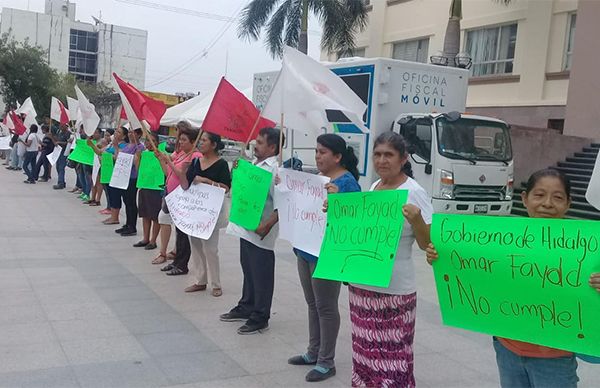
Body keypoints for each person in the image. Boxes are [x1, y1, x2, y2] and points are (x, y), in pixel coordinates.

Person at [426, 168, 600, 388]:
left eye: (557, 197)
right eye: (539, 195)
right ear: (525, 199)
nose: (547, 203)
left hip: (555, 356)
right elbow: (469, 264)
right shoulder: (503, 240)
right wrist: (440, 257)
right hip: (507, 348)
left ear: (568, 203)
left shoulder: (585, 248)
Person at [342, 132, 432, 387]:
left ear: (403, 159)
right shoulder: (373, 188)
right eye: (378, 155)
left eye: (389, 155)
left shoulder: (413, 192)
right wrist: (340, 213)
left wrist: (416, 220)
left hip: (395, 290)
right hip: (363, 286)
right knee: (365, 354)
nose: (382, 160)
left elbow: (428, 245)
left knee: (394, 358)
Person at [285, 134, 362, 382]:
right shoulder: (316, 180)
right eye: (316, 151)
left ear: (338, 156)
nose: (317, 156)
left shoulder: (347, 183)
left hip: (327, 254)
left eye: (323, 152)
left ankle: (326, 361)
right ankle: (313, 351)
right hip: (306, 250)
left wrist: (338, 200)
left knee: (326, 307)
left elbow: (355, 220)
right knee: (313, 304)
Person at [220, 127, 283, 335]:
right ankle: (246, 305)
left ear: (273, 147)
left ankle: (260, 316)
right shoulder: (254, 165)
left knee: (261, 274)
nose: (256, 145)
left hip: (261, 232)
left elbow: (282, 204)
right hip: (246, 228)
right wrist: (237, 170)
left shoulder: (275, 170)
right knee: (248, 270)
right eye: (256, 141)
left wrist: (267, 225)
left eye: (261, 142)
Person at [182, 132, 231, 297]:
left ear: (214, 145)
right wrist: (181, 170)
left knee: (211, 249)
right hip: (195, 212)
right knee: (195, 246)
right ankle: (200, 280)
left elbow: (226, 188)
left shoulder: (222, 164)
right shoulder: (195, 161)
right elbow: (185, 185)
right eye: (200, 140)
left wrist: (207, 181)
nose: (200, 143)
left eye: (204, 140)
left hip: (211, 213)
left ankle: (216, 283)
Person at [155, 123, 201, 272]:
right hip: (173, 196)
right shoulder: (182, 154)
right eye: (179, 139)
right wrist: (162, 159)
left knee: (183, 234)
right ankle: (176, 262)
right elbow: (168, 172)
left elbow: (182, 176)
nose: (180, 143)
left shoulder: (195, 156)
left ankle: (182, 264)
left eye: (183, 140)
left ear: (193, 142)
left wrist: (169, 162)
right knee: (178, 232)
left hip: (184, 198)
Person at [89, 126, 128, 225]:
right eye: (115, 131)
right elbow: (100, 152)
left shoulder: (123, 146)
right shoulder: (111, 144)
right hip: (107, 172)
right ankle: (112, 216)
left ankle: (115, 217)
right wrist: (92, 146)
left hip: (116, 173)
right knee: (110, 194)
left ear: (123, 136)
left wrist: (114, 149)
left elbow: (118, 158)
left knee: (115, 195)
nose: (115, 133)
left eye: (119, 132)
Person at [133, 132, 163, 251]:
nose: (149, 144)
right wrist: (138, 158)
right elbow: (139, 170)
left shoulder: (161, 154)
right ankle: (145, 238)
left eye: (153, 142)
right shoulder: (144, 154)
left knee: (155, 216)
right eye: (147, 141)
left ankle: (153, 240)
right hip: (144, 186)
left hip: (156, 188)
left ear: (157, 143)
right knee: (145, 214)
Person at [114, 128, 145, 236]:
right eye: (130, 132)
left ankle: (132, 226)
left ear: (138, 134)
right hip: (124, 177)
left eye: (133, 132)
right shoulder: (128, 146)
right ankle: (128, 223)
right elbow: (118, 158)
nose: (131, 134)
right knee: (126, 201)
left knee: (131, 202)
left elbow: (134, 161)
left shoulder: (139, 147)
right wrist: (116, 147)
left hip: (132, 177)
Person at [52, 124, 72, 190]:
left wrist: (59, 142)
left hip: (64, 152)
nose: (60, 127)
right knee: (58, 167)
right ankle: (62, 182)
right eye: (60, 126)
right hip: (59, 151)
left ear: (66, 126)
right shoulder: (59, 132)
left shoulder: (68, 133)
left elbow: (68, 143)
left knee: (61, 167)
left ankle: (60, 183)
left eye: (62, 126)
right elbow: (57, 140)